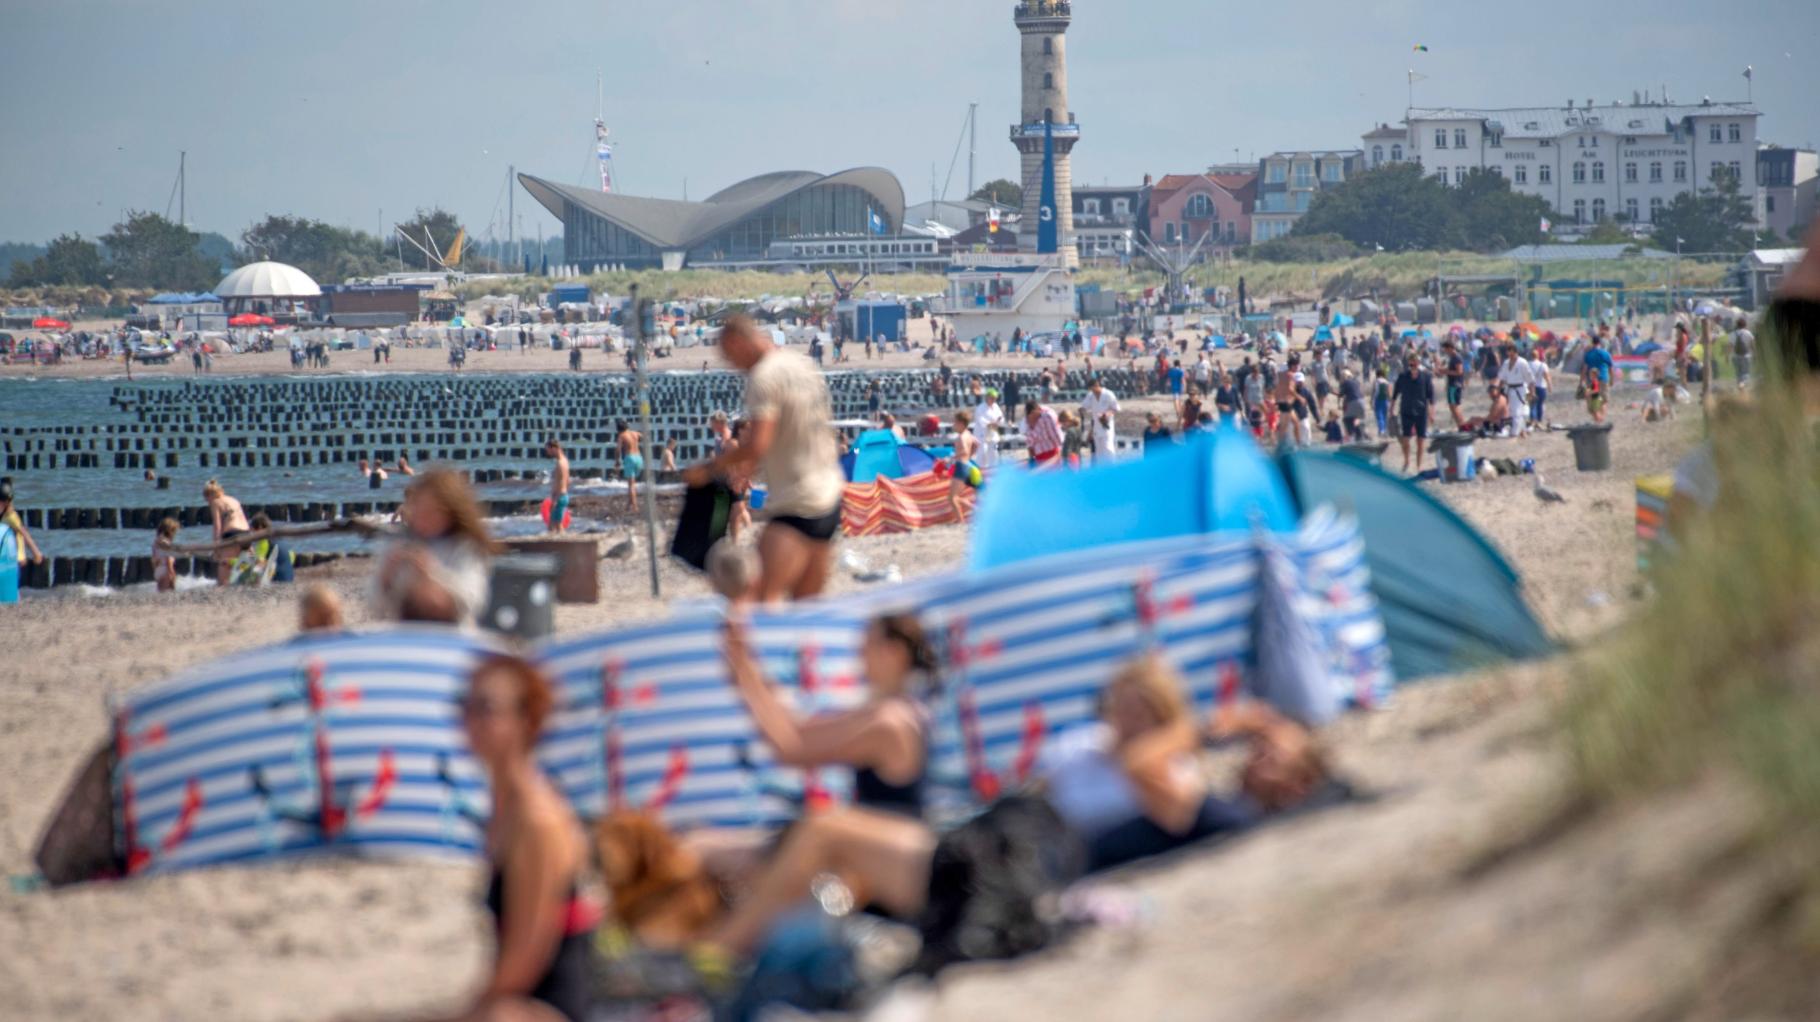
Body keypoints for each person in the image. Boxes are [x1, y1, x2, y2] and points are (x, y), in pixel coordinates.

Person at [454, 656, 597, 1022]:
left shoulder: (537, 820)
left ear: (525, 721)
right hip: (516, 999)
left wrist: (467, 1010)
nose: (470, 719)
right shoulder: (504, 808)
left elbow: (527, 956)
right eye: (465, 704)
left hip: (550, 1007)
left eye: (485, 708)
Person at [684, 316, 845, 603]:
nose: (732, 366)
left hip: (797, 502)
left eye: (729, 356)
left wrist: (709, 469)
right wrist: (747, 469)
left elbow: (758, 443)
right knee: (807, 605)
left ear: (737, 342)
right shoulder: (801, 365)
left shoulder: (763, 378)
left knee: (757, 597)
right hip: (829, 494)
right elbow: (794, 430)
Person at [370, 469, 499, 627]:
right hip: (404, 634)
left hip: (452, 635)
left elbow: (473, 602)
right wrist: (386, 576)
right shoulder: (399, 543)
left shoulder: (463, 547)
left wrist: (433, 573)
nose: (422, 518)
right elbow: (375, 608)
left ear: (450, 513)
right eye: (418, 510)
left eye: (430, 512)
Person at [1391, 354, 1436, 474]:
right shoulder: (1403, 377)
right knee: (1405, 440)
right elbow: (1395, 394)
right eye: (1411, 363)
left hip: (1421, 411)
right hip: (1406, 410)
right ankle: (1406, 461)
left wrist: (1432, 413)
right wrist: (1391, 409)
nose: (1413, 365)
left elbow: (1431, 396)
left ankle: (1418, 465)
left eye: (1415, 363)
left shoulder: (1426, 377)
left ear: (1419, 363)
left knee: (1420, 440)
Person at [202, 480, 250, 586]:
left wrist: (216, 548)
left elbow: (217, 527)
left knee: (224, 563)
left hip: (232, 534)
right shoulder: (234, 499)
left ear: (209, 495)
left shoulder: (216, 502)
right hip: (247, 534)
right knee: (240, 563)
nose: (208, 503)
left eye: (206, 500)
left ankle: (223, 587)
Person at [948, 412, 982, 521]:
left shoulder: (961, 437)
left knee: (953, 498)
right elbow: (977, 444)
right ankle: (973, 512)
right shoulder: (969, 434)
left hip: (961, 466)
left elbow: (964, 452)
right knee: (955, 497)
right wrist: (970, 456)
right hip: (968, 465)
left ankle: (961, 520)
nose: (953, 425)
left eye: (955, 422)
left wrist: (951, 458)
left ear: (961, 423)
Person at [1080, 377, 1120, 462]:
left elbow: (1116, 408)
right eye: (1090, 390)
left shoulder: (1108, 394)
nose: (1093, 392)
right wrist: (1081, 409)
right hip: (1096, 426)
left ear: (1097, 385)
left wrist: (1106, 414)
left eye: (1093, 389)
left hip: (1106, 424)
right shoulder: (1090, 395)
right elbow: (1084, 406)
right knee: (1099, 451)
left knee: (1108, 448)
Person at [1581, 335, 1615, 424]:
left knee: (1594, 400)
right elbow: (1611, 368)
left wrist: (1582, 381)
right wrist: (1612, 379)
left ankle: (1597, 419)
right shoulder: (1605, 353)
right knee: (1603, 401)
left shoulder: (1588, 354)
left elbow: (1584, 369)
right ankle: (1601, 419)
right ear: (1600, 343)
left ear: (1592, 343)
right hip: (1604, 378)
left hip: (1592, 380)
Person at [970, 388, 1005, 469]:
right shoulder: (980, 408)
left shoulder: (996, 406)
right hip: (982, 434)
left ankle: (993, 469)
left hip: (992, 433)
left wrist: (998, 422)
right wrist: (990, 424)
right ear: (987, 397)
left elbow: (1001, 417)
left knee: (993, 452)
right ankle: (981, 469)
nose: (993, 400)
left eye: (995, 398)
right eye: (992, 398)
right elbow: (980, 420)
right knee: (983, 452)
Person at [1023, 399, 1063, 469]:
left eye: (1033, 415)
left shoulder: (1047, 416)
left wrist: (1060, 452)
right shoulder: (1027, 421)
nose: (1032, 419)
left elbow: (1055, 436)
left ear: (1037, 410)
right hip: (1039, 455)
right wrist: (1031, 458)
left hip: (1052, 451)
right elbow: (1029, 442)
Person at [617, 421, 644, 515]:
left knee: (631, 484)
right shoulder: (635, 433)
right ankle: (629, 503)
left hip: (630, 458)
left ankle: (635, 506)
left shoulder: (622, 436)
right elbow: (644, 437)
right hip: (639, 458)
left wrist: (617, 461)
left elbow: (618, 449)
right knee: (633, 483)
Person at [544, 440, 571, 534]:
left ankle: (564, 544)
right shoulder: (565, 460)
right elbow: (568, 481)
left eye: (548, 450)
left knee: (558, 526)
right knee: (551, 526)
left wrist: (555, 499)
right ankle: (554, 544)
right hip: (562, 495)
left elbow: (561, 482)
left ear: (554, 448)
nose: (547, 453)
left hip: (559, 497)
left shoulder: (560, 463)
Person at [1441, 339, 1467, 429]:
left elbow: (1459, 372)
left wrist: (1445, 371)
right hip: (1453, 384)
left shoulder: (1456, 357)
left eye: (1445, 349)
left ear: (1450, 348)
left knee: (1454, 407)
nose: (1445, 351)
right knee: (1453, 407)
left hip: (1455, 385)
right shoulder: (1452, 357)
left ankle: (1462, 425)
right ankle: (1460, 425)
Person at [151, 517, 180, 592]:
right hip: (165, 569)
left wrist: (155, 571)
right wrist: (172, 573)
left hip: (158, 570)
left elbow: (154, 559)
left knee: (161, 592)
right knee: (170, 591)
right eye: (174, 532)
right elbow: (169, 559)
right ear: (170, 532)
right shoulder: (166, 544)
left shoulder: (155, 543)